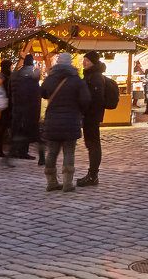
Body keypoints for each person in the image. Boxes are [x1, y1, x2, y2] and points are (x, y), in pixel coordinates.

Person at [41, 52, 90, 193]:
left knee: (52, 152)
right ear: (70, 63)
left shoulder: (51, 78)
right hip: (71, 120)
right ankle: (67, 183)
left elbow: (43, 92)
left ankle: (51, 182)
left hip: (53, 121)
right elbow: (85, 100)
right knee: (69, 151)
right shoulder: (77, 80)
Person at [78, 51, 107, 187]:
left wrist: (86, 109)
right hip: (89, 115)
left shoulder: (95, 77)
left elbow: (96, 99)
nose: (84, 62)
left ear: (93, 62)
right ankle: (92, 174)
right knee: (91, 144)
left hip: (92, 116)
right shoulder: (91, 75)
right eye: (84, 59)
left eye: (87, 60)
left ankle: (93, 175)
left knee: (93, 144)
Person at [10, 54, 43, 162]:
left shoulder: (15, 74)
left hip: (16, 105)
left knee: (18, 129)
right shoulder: (32, 77)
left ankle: (14, 151)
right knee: (26, 130)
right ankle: (23, 151)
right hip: (28, 108)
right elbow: (36, 95)